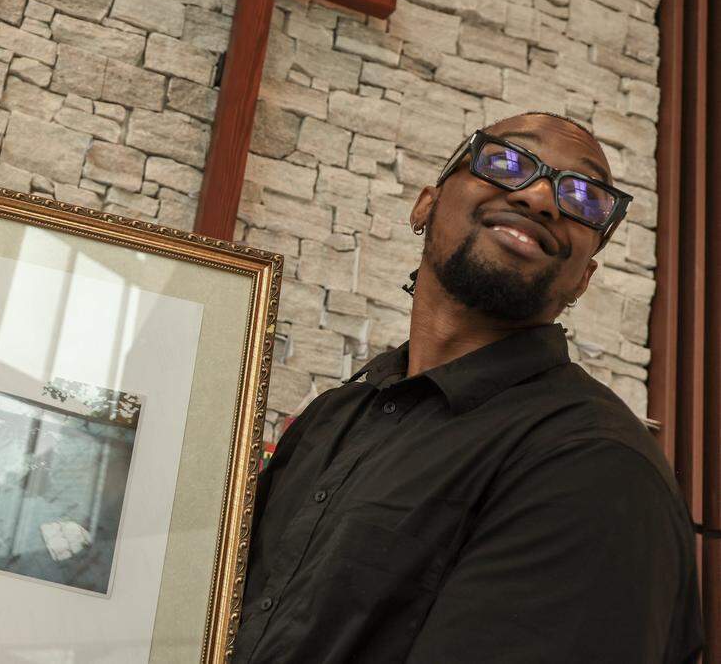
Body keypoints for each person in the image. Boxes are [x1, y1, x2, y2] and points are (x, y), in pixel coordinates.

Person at [233, 111, 705, 663]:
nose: (538, 198)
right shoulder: (333, 419)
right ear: (426, 204)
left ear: (585, 277)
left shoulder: (595, 465)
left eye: (584, 197)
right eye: (507, 162)